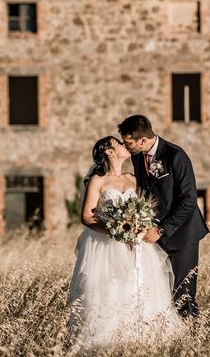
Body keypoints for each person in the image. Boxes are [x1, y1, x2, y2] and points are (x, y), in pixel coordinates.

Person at [67, 136, 183, 348]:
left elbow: (146, 208)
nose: (124, 145)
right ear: (110, 152)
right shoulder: (98, 180)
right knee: (112, 288)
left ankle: (144, 339)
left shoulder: (134, 178)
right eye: (119, 143)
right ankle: (109, 342)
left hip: (137, 245)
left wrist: (139, 226)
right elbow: (86, 216)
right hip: (107, 246)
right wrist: (116, 231)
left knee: (141, 287)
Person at [118, 115, 210, 318]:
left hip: (181, 235)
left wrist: (160, 230)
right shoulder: (137, 156)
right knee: (159, 293)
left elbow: (188, 201)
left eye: (128, 143)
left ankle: (193, 341)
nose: (125, 147)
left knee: (183, 295)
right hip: (152, 237)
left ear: (142, 140)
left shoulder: (176, 156)